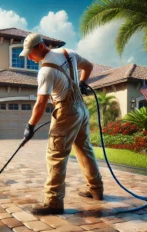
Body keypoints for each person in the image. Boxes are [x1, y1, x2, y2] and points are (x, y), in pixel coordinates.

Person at [20, 33, 103, 215]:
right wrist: (82, 83)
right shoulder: (69, 53)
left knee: (56, 155)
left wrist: (30, 127)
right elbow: (88, 66)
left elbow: (40, 105)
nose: (31, 59)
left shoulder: (45, 71)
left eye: (31, 54)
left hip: (65, 112)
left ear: (41, 47)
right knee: (84, 149)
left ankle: (53, 202)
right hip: (81, 109)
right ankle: (96, 189)